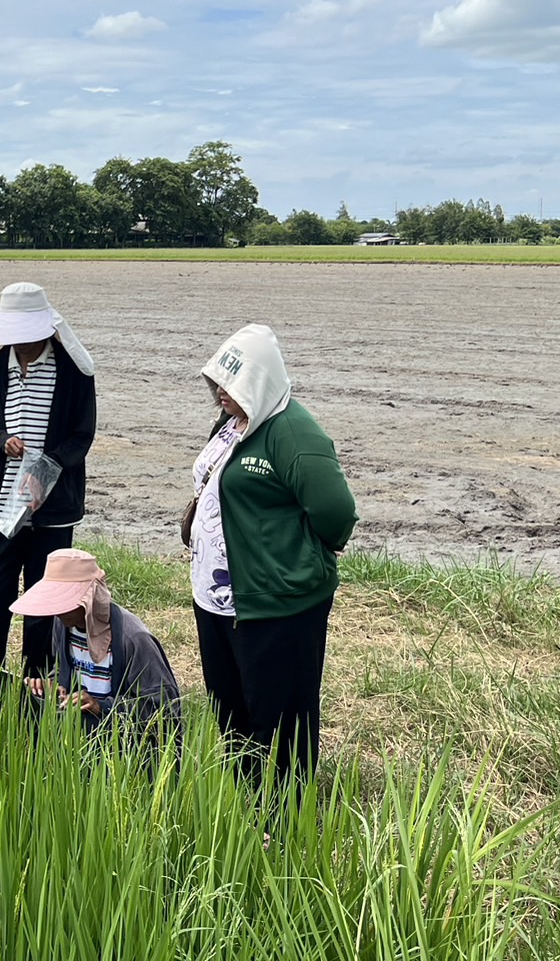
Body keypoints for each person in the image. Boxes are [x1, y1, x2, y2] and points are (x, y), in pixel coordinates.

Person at [188, 323, 357, 790]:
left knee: (280, 721)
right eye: (218, 381)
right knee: (231, 711)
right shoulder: (232, 423)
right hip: (219, 600)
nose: (221, 391)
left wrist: (288, 557)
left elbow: (336, 512)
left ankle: (283, 822)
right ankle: (247, 806)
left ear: (259, 381)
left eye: (232, 383)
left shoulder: (292, 433)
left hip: (275, 604)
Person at [0, 282, 96, 676]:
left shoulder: (73, 371)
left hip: (53, 511)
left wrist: (47, 467)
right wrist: (3, 442)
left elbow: (82, 436)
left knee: (44, 602)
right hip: (3, 506)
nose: (20, 345)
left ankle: (36, 684)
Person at [12, 548, 182, 743]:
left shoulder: (134, 639)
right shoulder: (63, 624)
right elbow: (64, 671)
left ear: (89, 599)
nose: (57, 612)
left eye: (64, 602)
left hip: (122, 749)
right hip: (81, 741)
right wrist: (52, 686)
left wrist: (102, 706)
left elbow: (167, 709)